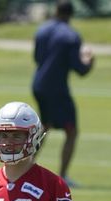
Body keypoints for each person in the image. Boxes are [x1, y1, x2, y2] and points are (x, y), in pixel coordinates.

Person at [32, 0, 94, 188]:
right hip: (57, 89)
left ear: (56, 11)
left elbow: (37, 58)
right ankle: (63, 176)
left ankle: (23, 168)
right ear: (70, 14)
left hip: (38, 85)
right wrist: (89, 61)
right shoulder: (71, 36)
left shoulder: (42, 30)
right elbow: (80, 69)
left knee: (44, 127)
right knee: (71, 131)